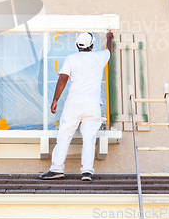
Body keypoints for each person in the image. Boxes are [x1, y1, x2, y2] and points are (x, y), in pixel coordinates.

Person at [39, 30, 114, 181]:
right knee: (89, 138)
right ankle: (87, 171)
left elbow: (63, 78)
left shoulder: (71, 58)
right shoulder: (99, 57)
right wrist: (109, 37)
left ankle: (56, 169)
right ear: (92, 46)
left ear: (76, 45)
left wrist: (55, 100)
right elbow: (109, 51)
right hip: (92, 105)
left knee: (64, 136)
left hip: (74, 104)